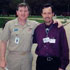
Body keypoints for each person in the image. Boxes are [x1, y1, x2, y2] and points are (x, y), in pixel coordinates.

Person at [0, 2, 62, 70]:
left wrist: (56, 21)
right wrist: (2, 59)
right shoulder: (9, 24)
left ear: (28, 13)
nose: (23, 13)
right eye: (20, 11)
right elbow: (3, 42)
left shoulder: (34, 25)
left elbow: (47, 24)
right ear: (17, 12)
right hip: (13, 58)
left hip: (27, 59)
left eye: (25, 11)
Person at [33, 3, 69, 70]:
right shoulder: (38, 29)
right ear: (42, 14)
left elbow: (65, 49)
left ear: (53, 14)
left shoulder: (59, 28)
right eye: (45, 13)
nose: (47, 15)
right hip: (41, 62)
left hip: (55, 63)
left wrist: (62, 66)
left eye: (49, 13)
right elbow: (31, 40)